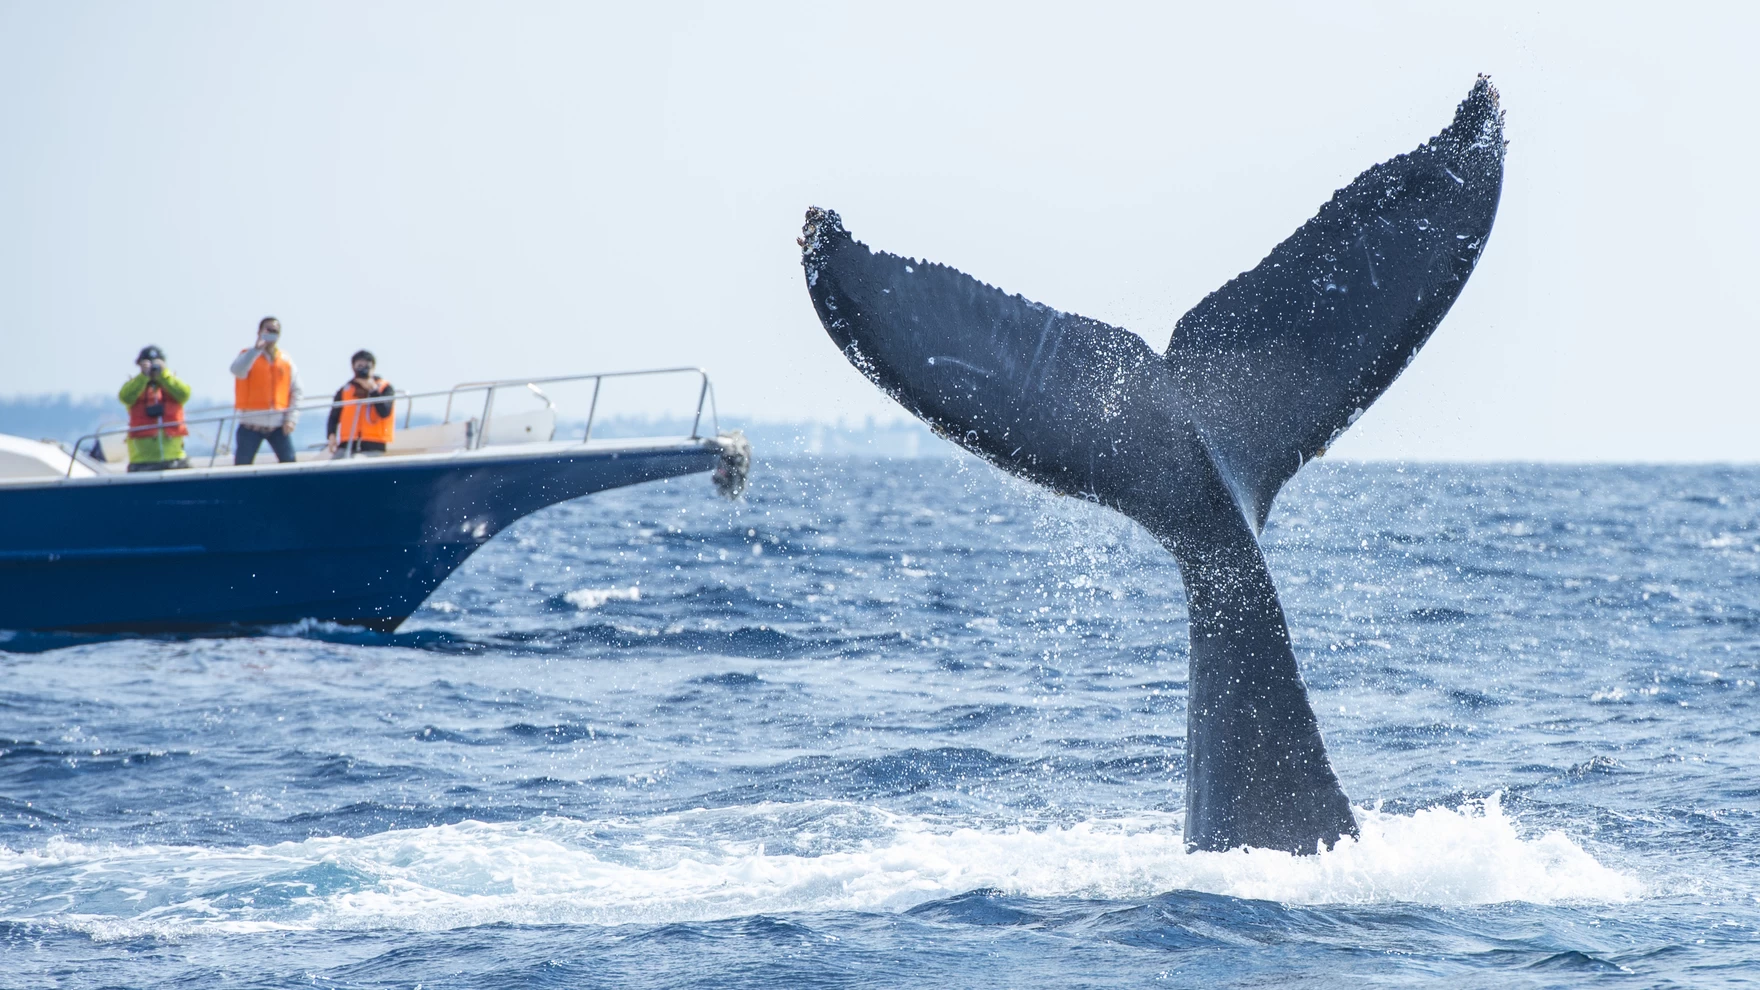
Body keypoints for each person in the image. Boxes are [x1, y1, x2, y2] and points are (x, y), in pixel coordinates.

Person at [229, 316, 303, 465]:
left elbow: (297, 391)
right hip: (250, 425)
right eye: (268, 330)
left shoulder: (286, 360)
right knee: (242, 467)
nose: (271, 333)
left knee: (290, 463)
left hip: (278, 425)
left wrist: (291, 419)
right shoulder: (247, 355)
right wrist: (256, 349)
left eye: (275, 331)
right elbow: (237, 370)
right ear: (259, 332)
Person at [118, 345, 192, 472]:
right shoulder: (135, 385)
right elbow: (125, 397)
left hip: (174, 458)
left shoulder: (171, 382)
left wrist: (164, 375)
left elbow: (184, 394)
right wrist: (143, 377)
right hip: (142, 461)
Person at [326, 350, 396, 456]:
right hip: (348, 444)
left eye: (366, 366)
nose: (363, 370)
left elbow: (385, 412)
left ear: (373, 367)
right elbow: (334, 415)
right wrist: (331, 435)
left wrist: (373, 391)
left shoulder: (385, 388)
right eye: (359, 366)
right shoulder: (345, 390)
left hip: (373, 445)